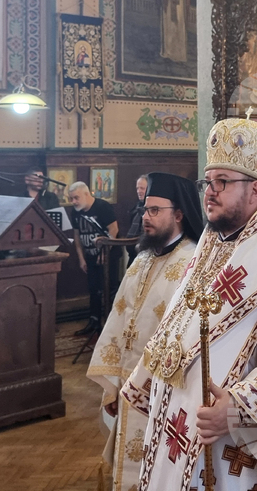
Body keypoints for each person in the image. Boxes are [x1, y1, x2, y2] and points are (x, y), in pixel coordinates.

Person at [121, 115, 257, 490]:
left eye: (223, 182)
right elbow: (181, 321)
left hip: (231, 446)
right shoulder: (215, 238)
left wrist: (238, 411)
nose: (210, 192)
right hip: (177, 423)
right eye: (208, 182)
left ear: (255, 189)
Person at [88, 172, 202, 491]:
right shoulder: (141, 259)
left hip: (167, 391)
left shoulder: (194, 263)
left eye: (155, 210)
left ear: (178, 214)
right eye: (144, 210)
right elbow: (118, 319)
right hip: (128, 386)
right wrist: (112, 384)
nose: (146, 218)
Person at [69, 181, 121, 337]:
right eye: (71, 199)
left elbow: (114, 229)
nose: (74, 202)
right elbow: (77, 236)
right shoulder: (76, 212)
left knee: (110, 289)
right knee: (94, 290)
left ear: (86, 194)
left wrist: (104, 253)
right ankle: (94, 322)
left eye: (76, 198)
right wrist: (81, 258)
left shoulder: (103, 207)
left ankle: (112, 326)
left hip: (109, 255)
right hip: (90, 256)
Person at [126, 174, 149, 265]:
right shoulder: (136, 207)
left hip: (144, 254)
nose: (139, 191)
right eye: (137, 188)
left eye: (142, 188)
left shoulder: (149, 209)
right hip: (132, 254)